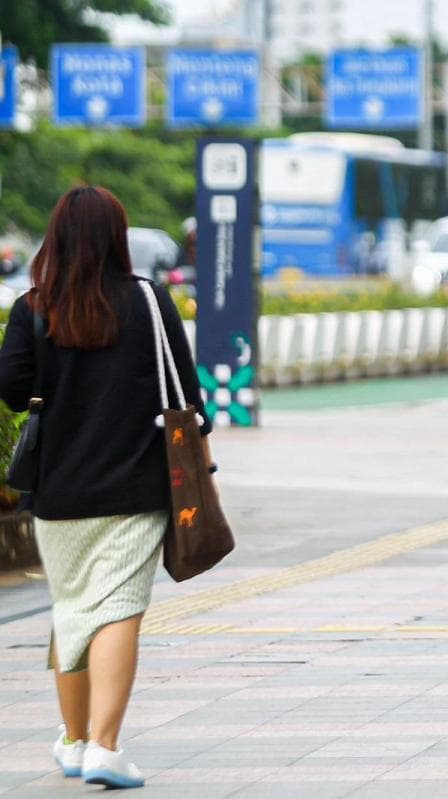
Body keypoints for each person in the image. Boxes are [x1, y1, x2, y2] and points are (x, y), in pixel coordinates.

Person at [0, 187, 213, 789]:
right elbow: (186, 392)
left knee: (71, 609)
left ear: (56, 237)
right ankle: (106, 746)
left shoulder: (34, 306)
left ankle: (74, 742)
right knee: (118, 608)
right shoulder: (148, 300)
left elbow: (11, 390)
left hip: (58, 490)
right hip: (137, 486)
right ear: (118, 237)